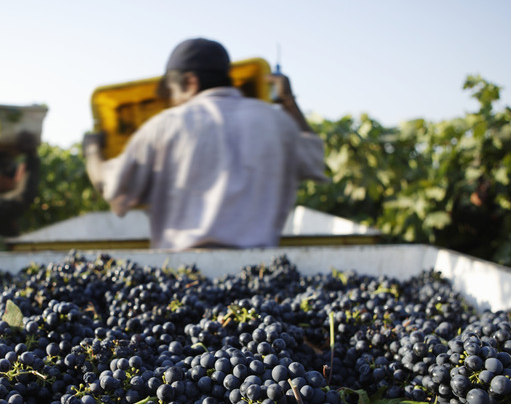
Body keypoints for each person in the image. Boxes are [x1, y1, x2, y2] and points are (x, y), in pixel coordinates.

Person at [82, 38, 328, 250]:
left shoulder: (165, 125)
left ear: (190, 82)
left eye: (172, 92)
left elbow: (109, 184)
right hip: (260, 277)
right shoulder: (277, 122)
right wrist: (288, 101)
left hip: (182, 277)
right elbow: (316, 159)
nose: (172, 102)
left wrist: (92, 149)